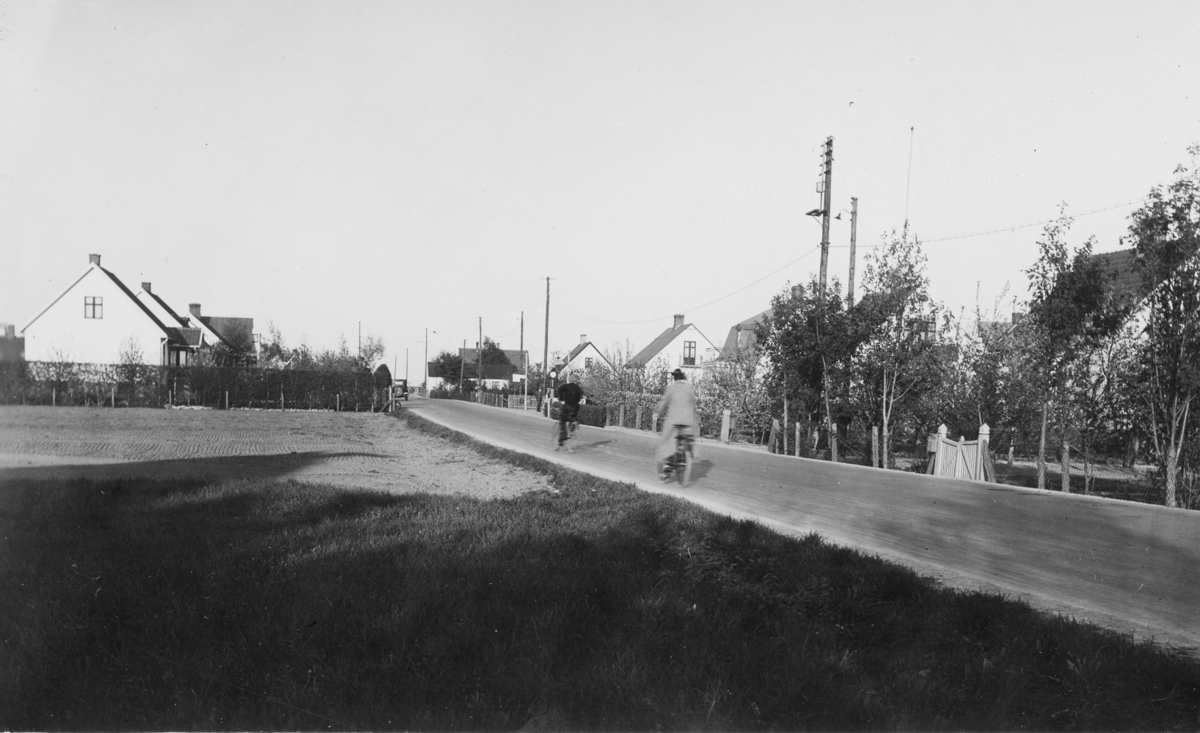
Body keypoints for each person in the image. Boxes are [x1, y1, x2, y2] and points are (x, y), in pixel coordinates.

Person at [656, 368, 697, 468]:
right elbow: (693, 404)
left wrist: (658, 414)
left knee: (667, 437)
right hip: (688, 420)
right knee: (688, 436)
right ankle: (687, 453)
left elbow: (663, 402)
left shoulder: (671, 388)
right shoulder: (688, 388)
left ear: (674, 378)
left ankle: (668, 462)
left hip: (674, 420)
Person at [555, 373, 584, 451]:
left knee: (562, 421)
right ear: (576, 381)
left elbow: (560, 389)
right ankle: (572, 430)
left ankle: (562, 439)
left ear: (570, 380)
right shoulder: (578, 389)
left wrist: (561, 398)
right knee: (573, 418)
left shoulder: (566, 386)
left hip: (567, 407)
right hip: (575, 408)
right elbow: (579, 398)